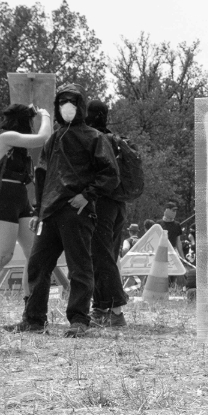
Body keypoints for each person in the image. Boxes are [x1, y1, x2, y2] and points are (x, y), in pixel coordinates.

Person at [7, 84, 118, 337]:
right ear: (56, 106)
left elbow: (111, 174)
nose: (67, 106)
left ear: (81, 106)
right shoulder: (55, 137)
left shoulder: (94, 137)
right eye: (62, 102)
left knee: (79, 267)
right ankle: (34, 319)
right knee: (37, 265)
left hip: (76, 212)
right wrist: (37, 211)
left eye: (72, 102)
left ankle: (79, 319)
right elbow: (42, 173)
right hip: (50, 212)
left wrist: (86, 196)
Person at [0, 103, 53, 326]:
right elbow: (43, 138)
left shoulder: (14, 141)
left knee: (34, 254)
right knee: (3, 254)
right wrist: (45, 116)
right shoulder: (5, 138)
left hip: (18, 196)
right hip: (2, 196)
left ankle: (30, 308)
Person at [84, 100, 129, 327]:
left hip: (101, 203)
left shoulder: (94, 140)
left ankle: (117, 311)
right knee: (106, 256)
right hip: (118, 203)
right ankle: (101, 308)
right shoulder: (114, 139)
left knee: (101, 257)